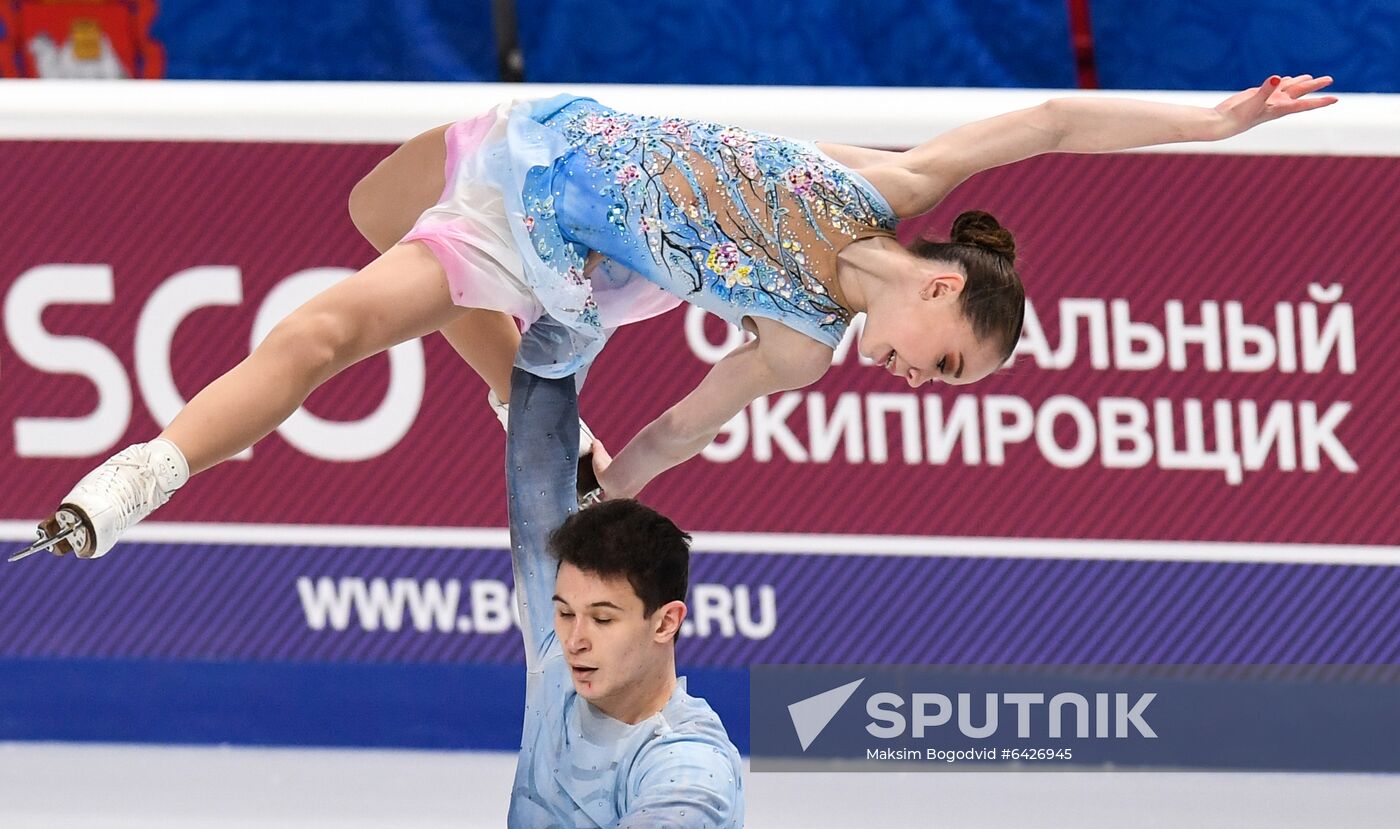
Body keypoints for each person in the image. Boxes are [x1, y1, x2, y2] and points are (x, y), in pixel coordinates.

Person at [20, 74, 1335, 560]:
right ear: (942, 286)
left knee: (327, 333)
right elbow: (1049, 121)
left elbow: (665, 441)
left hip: (552, 256)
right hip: (537, 138)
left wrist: (610, 490)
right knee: (368, 209)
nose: (922, 381)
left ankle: (134, 481)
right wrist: (1216, 120)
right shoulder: (891, 185)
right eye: (945, 367)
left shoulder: (800, 349)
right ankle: (506, 384)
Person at [503, 367, 743, 829]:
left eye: (603, 619)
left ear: (665, 622)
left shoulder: (688, 768)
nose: (573, 640)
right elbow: (535, 444)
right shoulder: (558, 656)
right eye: (563, 612)